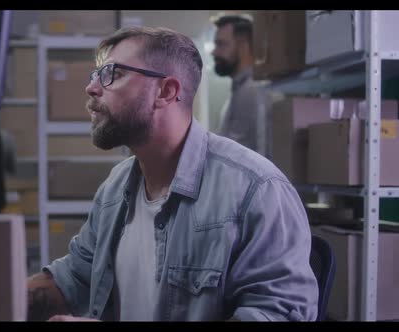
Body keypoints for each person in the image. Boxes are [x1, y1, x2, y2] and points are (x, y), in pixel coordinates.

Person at [27, 26, 318, 321]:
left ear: (166, 92)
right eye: (96, 74)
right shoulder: (115, 189)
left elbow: (275, 314)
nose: (92, 88)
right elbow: (74, 279)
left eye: (112, 73)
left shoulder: (256, 190)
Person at [212, 14, 273, 157]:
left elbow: (234, 154)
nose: (214, 52)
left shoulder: (251, 90)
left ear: (243, 46)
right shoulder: (240, 91)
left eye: (221, 44)